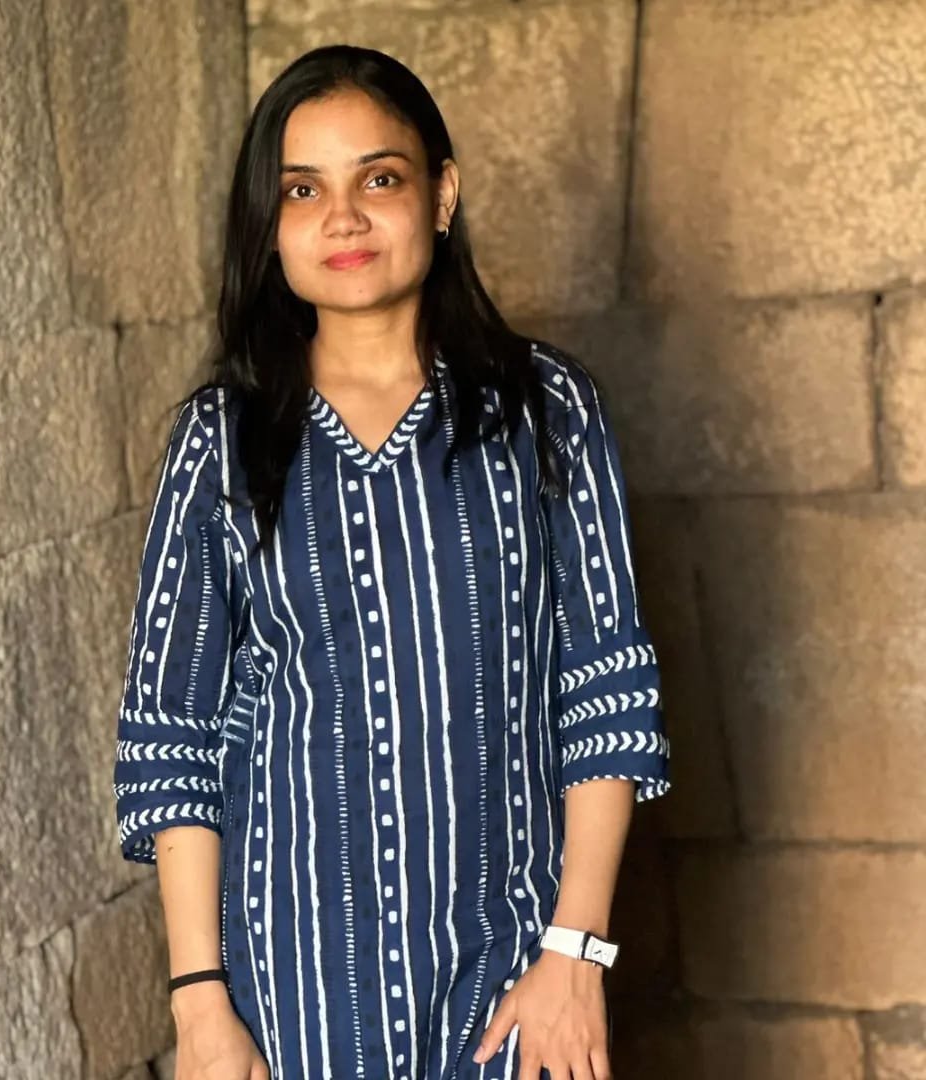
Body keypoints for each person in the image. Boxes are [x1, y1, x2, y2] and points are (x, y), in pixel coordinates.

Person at [112, 43, 671, 1080]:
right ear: (268, 226)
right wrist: (200, 1005)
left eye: (378, 179)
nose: (343, 219)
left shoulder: (545, 412)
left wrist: (575, 953)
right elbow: (172, 735)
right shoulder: (220, 441)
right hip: (289, 989)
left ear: (441, 194)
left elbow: (605, 691)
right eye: (302, 190)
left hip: (515, 973)